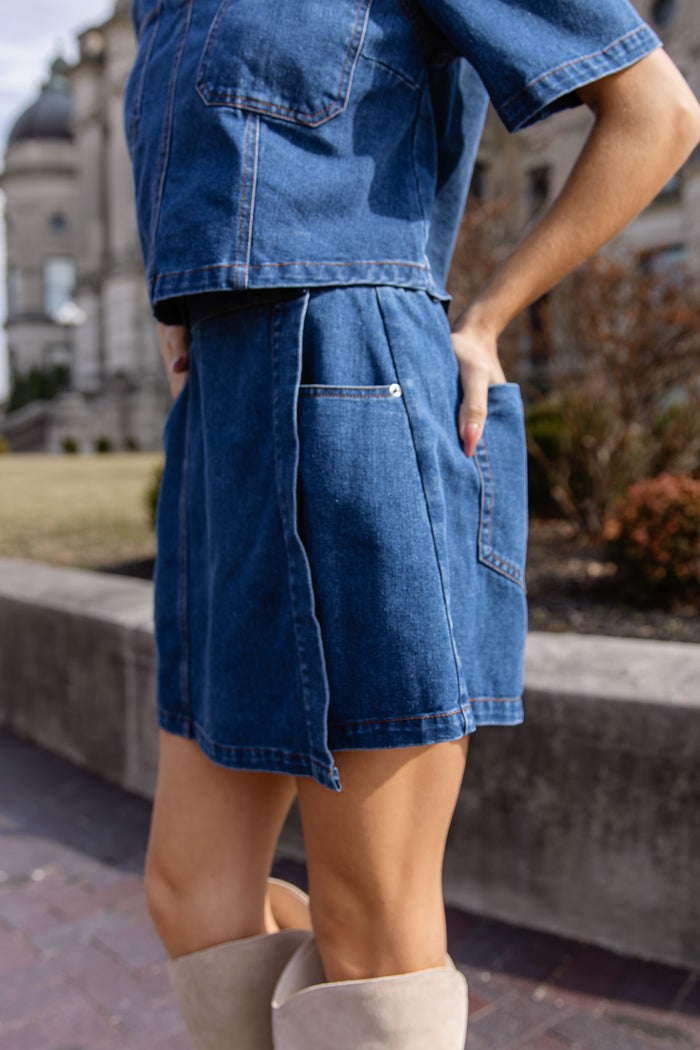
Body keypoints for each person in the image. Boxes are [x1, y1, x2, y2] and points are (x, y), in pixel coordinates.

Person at [124, 1, 700, 1047]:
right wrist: (183, 316)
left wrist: (485, 320)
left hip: (356, 388)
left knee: (370, 927)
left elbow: (654, 110)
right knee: (190, 895)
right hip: (221, 415)